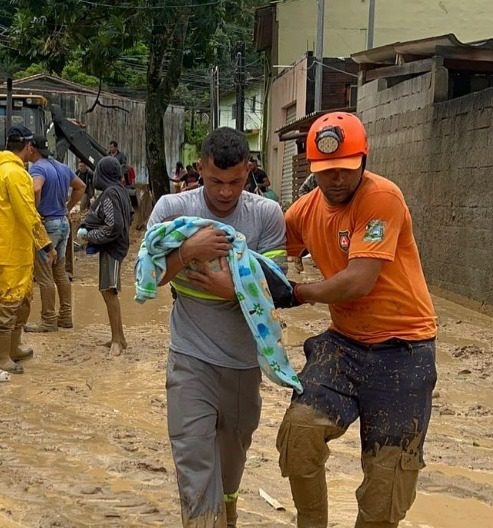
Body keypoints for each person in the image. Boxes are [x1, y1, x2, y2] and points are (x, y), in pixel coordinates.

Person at [278, 112, 437, 528]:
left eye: (345, 170)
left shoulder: (382, 198)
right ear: (314, 169)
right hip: (344, 343)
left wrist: (298, 293)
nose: (336, 180)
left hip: (404, 351)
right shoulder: (304, 211)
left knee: (387, 488)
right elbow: (270, 251)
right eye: (326, 171)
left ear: (363, 161)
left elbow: (357, 281)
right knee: (299, 434)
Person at [146, 127, 287, 527]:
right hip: (190, 359)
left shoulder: (265, 214)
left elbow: (279, 287)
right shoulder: (173, 210)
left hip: (244, 366)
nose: (225, 192)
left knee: (230, 467)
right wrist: (188, 250)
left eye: (236, 182)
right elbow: (149, 276)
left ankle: (227, 512)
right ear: (200, 170)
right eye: (215, 181)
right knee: (194, 464)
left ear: (249, 171)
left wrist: (234, 291)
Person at [0, 126, 56, 374]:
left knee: (21, 298)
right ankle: (1, 356)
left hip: (10, 246)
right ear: (28, 146)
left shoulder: (1, 171)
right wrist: (46, 243)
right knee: (10, 301)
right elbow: (27, 212)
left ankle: (12, 347)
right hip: (11, 248)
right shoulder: (15, 174)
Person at [26, 137, 86, 332]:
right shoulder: (62, 167)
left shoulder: (37, 168)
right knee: (60, 272)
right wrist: (67, 207)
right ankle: (66, 316)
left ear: (32, 149)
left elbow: (36, 187)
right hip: (63, 223)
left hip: (48, 225)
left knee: (44, 275)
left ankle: (48, 320)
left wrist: (34, 212)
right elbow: (81, 187)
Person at [77, 156, 132, 356]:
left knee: (109, 291)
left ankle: (118, 340)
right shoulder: (120, 191)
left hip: (113, 247)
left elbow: (113, 225)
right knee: (107, 291)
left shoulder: (110, 194)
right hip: (117, 246)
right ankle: (118, 336)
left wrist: (90, 236)